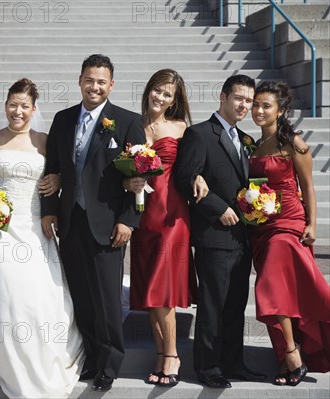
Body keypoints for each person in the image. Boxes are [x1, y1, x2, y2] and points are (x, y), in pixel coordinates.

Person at [0, 78, 85, 398]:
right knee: (4, 295)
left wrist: (57, 180)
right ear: (5, 105)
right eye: (12, 104)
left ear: (34, 109)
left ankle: (40, 357)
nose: (17, 111)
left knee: (36, 297)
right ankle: (4, 357)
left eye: (24, 106)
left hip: (34, 227)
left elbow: (61, 174)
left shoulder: (45, 141)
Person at [41, 54, 145, 392]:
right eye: (89, 79)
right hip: (71, 222)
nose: (94, 86)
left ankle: (110, 363)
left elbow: (140, 176)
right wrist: (49, 210)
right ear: (80, 80)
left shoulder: (128, 122)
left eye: (101, 81)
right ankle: (91, 357)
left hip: (108, 225)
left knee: (107, 300)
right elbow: (53, 169)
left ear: (111, 85)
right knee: (82, 297)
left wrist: (128, 220)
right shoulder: (63, 119)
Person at [174, 74, 266, 388]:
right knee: (214, 303)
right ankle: (208, 366)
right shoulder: (199, 134)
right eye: (239, 98)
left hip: (242, 237)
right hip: (214, 234)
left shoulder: (246, 140)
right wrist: (218, 207)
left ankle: (233, 362)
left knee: (237, 302)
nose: (244, 105)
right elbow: (185, 178)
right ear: (223, 96)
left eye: (249, 101)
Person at [248, 81, 330, 385]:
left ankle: (293, 352)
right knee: (281, 290)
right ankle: (284, 359)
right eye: (256, 104)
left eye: (265, 105)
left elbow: (307, 185)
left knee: (270, 284)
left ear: (280, 111)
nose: (258, 110)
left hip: (289, 224)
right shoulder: (253, 146)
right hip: (261, 225)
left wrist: (312, 225)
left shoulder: (294, 143)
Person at [123, 69, 197, 387]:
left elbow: (194, 166)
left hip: (172, 216)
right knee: (150, 292)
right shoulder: (130, 123)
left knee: (163, 289)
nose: (161, 97)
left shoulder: (181, 128)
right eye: (158, 90)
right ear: (149, 89)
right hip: (142, 216)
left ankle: (172, 355)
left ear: (174, 100)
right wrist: (128, 180)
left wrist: (201, 177)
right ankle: (160, 354)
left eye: (168, 94)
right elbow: (119, 171)